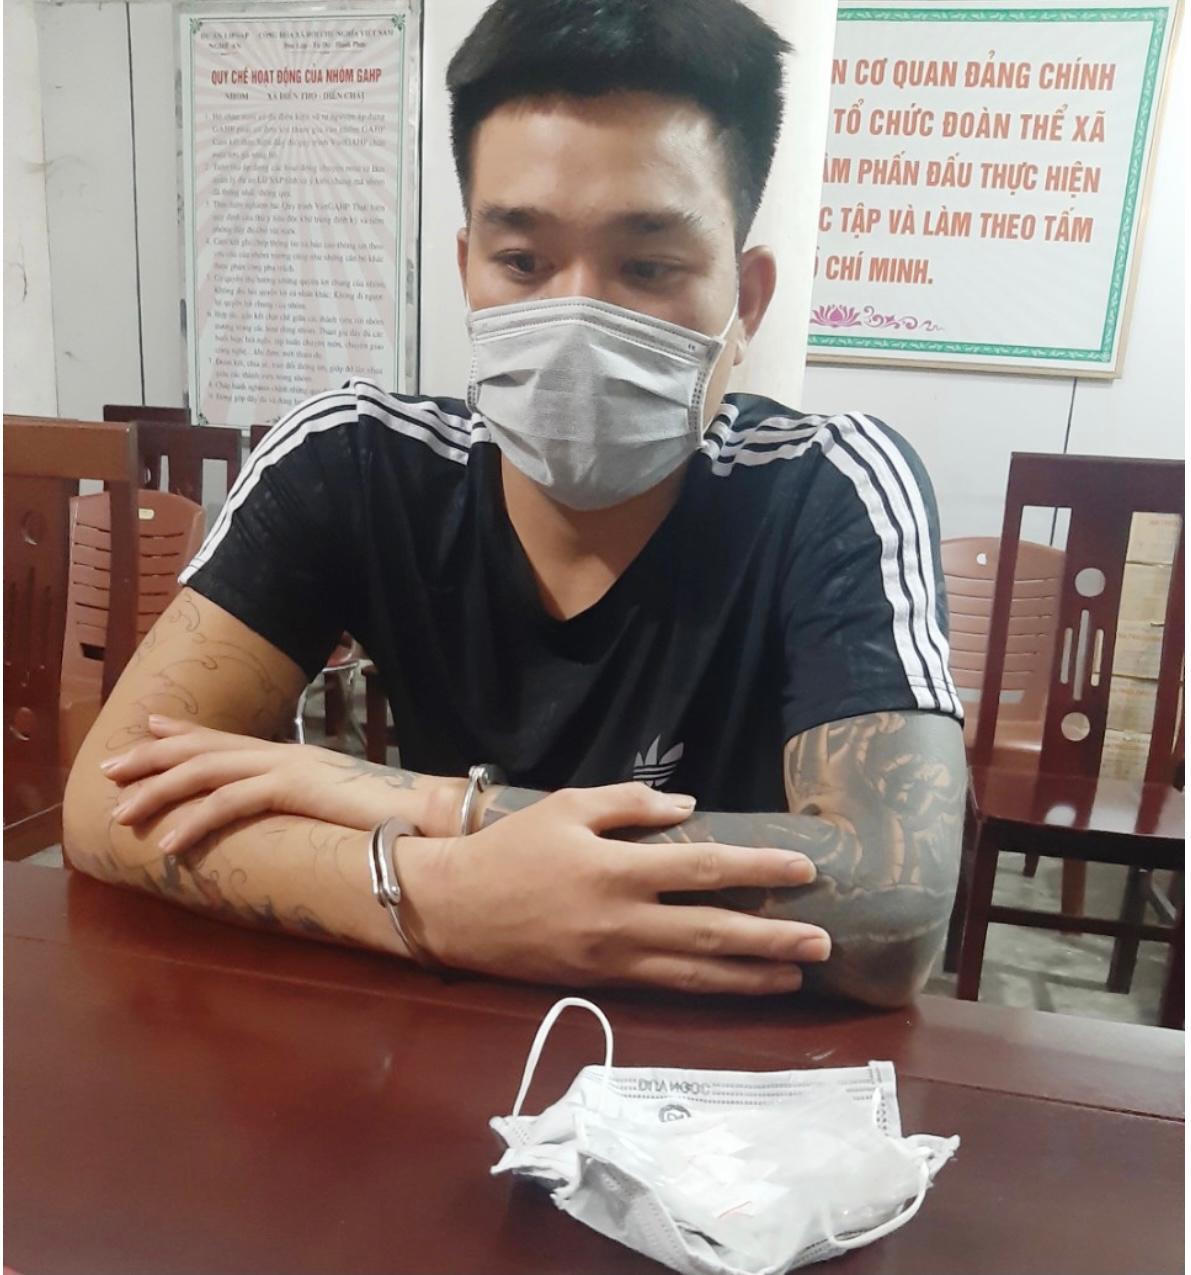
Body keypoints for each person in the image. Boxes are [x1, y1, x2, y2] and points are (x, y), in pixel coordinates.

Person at [63, 0, 965, 1006]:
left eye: (648, 267)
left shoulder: (829, 488)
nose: (575, 314)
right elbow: (108, 802)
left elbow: (896, 908)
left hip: (720, 1068)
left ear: (745, 301)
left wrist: (442, 810)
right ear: (468, 270)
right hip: (436, 1037)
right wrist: (439, 896)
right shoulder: (353, 463)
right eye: (523, 262)